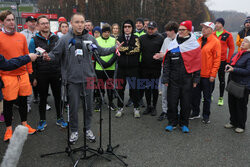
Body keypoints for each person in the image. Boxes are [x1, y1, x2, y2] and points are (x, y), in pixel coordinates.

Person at [43, 13, 122, 144]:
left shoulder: (90, 38)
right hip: (72, 80)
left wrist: (114, 48)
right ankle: (74, 131)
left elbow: (100, 51)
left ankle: (87, 129)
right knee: (73, 108)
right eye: (77, 22)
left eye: (82, 22)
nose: (80, 25)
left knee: (88, 107)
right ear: (71, 23)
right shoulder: (64, 39)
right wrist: (48, 57)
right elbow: (55, 54)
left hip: (88, 79)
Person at [0, 10, 37, 142]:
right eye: (8, 20)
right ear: (2, 22)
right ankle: (8, 129)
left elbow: (27, 55)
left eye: (12, 20)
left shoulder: (21, 37)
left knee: (23, 102)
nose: (11, 23)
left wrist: (30, 73)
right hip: (7, 76)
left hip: (23, 75)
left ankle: (24, 124)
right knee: (8, 104)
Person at [29, 15, 67, 131]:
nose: (45, 25)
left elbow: (61, 56)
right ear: (38, 26)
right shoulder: (33, 40)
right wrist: (33, 77)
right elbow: (31, 60)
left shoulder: (57, 38)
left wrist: (62, 72)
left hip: (56, 73)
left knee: (57, 97)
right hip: (41, 74)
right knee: (43, 98)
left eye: (47, 23)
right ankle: (42, 120)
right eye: (43, 23)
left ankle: (60, 118)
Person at [162, 20, 201, 133]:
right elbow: (167, 63)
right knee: (172, 102)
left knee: (186, 103)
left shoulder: (194, 45)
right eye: (179, 29)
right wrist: (165, 78)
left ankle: (184, 123)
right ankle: (172, 122)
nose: (180, 32)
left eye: (182, 30)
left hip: (187, 79)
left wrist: (196, 79)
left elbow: (197, 64)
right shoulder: (173, 43)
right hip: (173, 79)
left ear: (188, 30)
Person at [190, 22, 221, 124]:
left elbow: (217, 60)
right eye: (203, 27)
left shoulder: (215, 42)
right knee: (195, 95)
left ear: (211, 30)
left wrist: (213, 74)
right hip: (197, 74)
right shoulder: (198, 40)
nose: (203, 29)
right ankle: (195, 112)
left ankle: (206, 116)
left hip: (208, 76)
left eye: (206, 28)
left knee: (207, 97)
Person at [115, 19, 141, 118]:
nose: (127, 28)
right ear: (123, 28)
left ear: (132, 28)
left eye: (129, 26)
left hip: (133, 68)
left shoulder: (136, 38)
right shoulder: (119, 37)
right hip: (121, 68)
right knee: (120, 88)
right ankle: (120, 108)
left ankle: (136, 108)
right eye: (125, 27)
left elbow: (137, 49)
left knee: (134, 89)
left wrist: (125, 49)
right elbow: (118, 50)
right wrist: (130, 49)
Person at [153, 21, 179, 121]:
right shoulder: (166, 40)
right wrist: (159, 55)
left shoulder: (179, 40)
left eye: (167, 31)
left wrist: (163, 55)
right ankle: (165, 111)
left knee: (175, 92)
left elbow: (175, 55)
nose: (166, 33)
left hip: (175, 70)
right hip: (165, 69)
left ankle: (176, 112)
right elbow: (163, 52)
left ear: (172, 31)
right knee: (164, 92)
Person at [224, 36, 250, 133]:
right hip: (233, 82)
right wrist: (228, 66)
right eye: (243, 41)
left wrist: (234, 69)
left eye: (246, 42)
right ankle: (233, 121)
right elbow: (232, 63)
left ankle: (241, 125)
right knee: (232, 104)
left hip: (243, 85)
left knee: (241, 106)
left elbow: (248, 71)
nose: (243, 43)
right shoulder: (237, 53)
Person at [139, 21, 164, 116]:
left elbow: (164, 52)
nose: (150, 30)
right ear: (146, 28)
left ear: (156, 29)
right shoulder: (141, 38)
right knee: (147, 88)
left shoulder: (160, 38)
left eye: (152, 29)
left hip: (155, 67)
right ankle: (148, 106)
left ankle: (154, 107)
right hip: (144, 67)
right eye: (149, 28)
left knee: (154, 88)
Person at [94, 23, 117, 112]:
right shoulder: (97, 40)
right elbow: (95, 53)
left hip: (111, 67)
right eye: (104, 32)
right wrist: (102, 63)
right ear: (101, 32)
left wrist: (110, 62)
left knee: (110, 86)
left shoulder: (114, 40)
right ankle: (99, 103)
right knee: (99, 86)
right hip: (99, 67)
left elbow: (116, 52)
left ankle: (111, 102)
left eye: (108, 32)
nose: (106, 33)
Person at [213, 18, 235, 106]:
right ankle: (209, 94)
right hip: (212, 60)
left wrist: (228, 60)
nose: (216, 25)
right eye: (215, 23)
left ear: (222, 24)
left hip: (222, 61)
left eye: (218, 23)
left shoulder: (228, 35)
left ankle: (221, 97)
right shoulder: (212, 34)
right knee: (210, 78)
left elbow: (232, 48)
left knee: (221, 79)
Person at [126, 18, 147, 108]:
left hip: (142, 61)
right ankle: (131, 98)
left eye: (140, 23)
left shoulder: (145, 34)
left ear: (143, 25)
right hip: (133, 60)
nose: (138, 24)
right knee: (132, 80)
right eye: (137, 23)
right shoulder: (132, 34)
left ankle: (140, 98)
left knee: (141, 81)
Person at [21, 16, 38, 112]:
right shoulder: (21, 34)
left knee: (39, 82)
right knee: (27, 83)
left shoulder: (39, 33)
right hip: (26, 62)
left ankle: (41, 100)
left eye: (34, 21)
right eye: (31, 22)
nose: (33, 23)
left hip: (38, 61)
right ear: (27, 23)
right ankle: (27, 103)